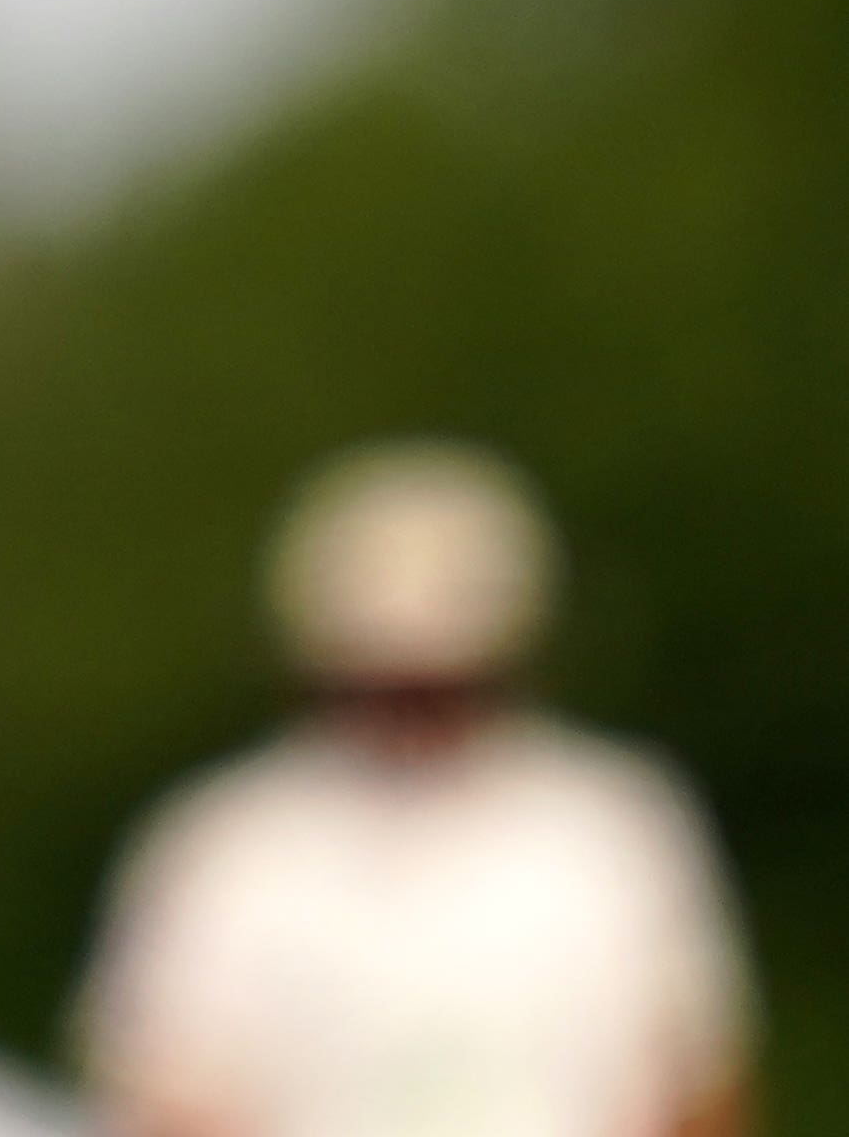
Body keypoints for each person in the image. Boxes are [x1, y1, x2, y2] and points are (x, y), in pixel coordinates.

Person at [77, 442, 754, 1137]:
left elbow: (694, 1089)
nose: (411, 718)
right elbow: (166, 1100)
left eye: (441, 686)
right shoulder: (227, 848)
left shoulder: (612, 827)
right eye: (384, 684)